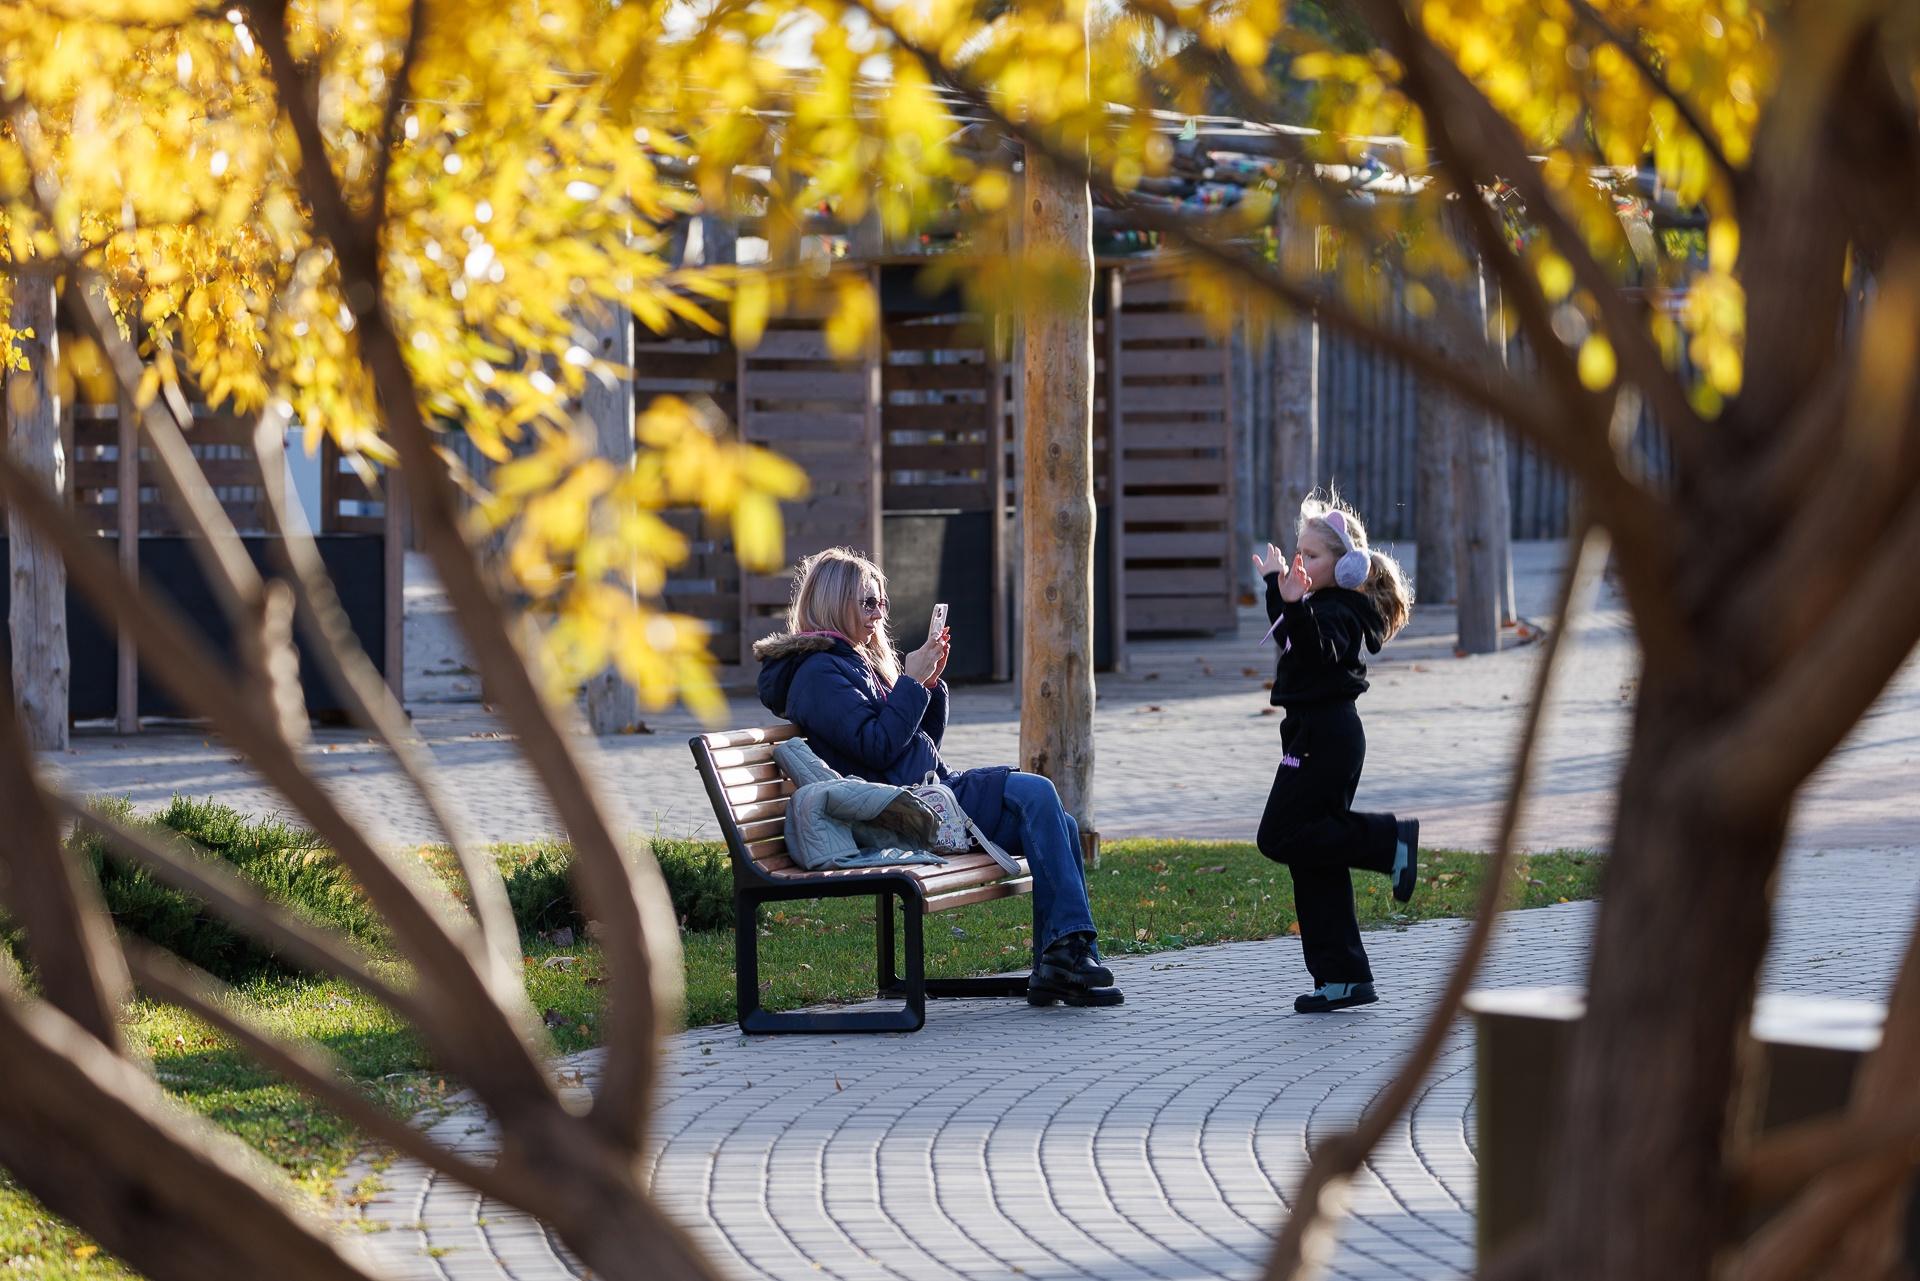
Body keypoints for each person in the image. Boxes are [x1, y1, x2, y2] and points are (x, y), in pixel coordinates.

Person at [754, 547, 1122, 1008]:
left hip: (924, 795)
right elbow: (877, 748)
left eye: (881, 602)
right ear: (834, 603)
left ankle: (1060, 964)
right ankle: (1067, 955)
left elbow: (912, 744)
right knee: (1036, 791)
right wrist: (909, 684)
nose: (878, 613)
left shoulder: (853, 661)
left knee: (1060, 823)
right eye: (868, 603)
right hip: (900, 810)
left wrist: (926, 686)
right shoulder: (818, 673)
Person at [1253, 494, 1418, 1013]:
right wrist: (1278, 590)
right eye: (1299, 553)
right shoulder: (1318, 603)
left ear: (1346, 566)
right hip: (1311, 732)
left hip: (1325, 736)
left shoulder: (1342, 610)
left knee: (1279, 836)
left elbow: (1316, 651)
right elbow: (1292, 638)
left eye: (1313, 556)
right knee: (1311, 857)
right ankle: (1343, 978)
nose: (1302, 562)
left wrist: (1296, 604)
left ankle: (1390, 840)